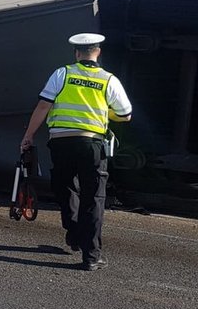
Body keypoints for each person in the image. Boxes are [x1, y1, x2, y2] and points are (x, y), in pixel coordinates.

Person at [20, 33, 132, 271]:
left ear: (76, 53)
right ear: (98, 52)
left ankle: (73, 232)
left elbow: (43, 106)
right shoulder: (108, 80)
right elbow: (125, 115)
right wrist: (104, 113)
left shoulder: (62, 74)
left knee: (66, 187)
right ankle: (91, 256)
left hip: (61, 142)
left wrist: (28, 135)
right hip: (92, 144)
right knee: (94, 197)